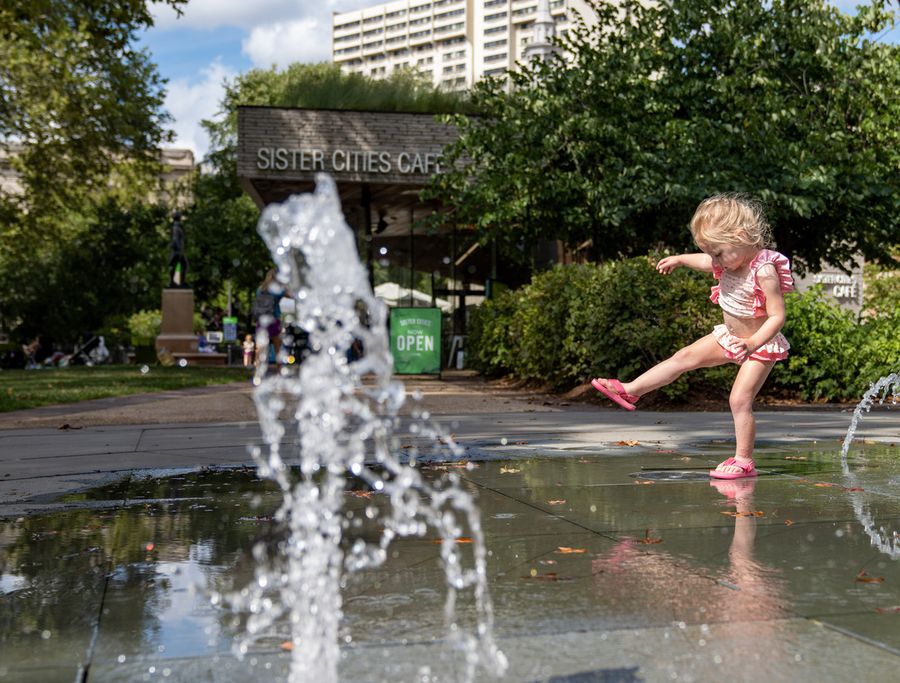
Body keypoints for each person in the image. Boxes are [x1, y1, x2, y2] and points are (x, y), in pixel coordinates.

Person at [591, 194, 793, 480]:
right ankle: (631, 389)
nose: (714, 261)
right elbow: (703, 260)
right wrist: (680, 259)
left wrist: (751, 343)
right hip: (730, 338)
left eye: (718, 253)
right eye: (711, 254)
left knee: (739, 399)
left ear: (740, 236)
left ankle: (744, 460)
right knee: (683, 357)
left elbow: (777, 316)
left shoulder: (765, 270)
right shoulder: (728, 259)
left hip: (759, 346)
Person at [252, 269, 284, 366]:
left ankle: (258, 373)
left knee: (260, 349)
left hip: (262, 321)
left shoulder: (259, 290)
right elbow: (290, 295)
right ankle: (280, 372)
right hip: (274, 320)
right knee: (278, 349)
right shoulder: (278, 290)